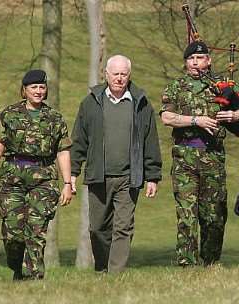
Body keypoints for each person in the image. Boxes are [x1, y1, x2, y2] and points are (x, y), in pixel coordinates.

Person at [160, 41, 239, 266]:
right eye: (191, 59)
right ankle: (187, 264)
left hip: (213, 157)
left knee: (214, 216)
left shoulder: (221, 86)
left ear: (209, 60)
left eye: (200, 58)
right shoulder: (177, 86)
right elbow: (166, 117)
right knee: (186, 214)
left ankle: (211, 262)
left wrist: (234, 115)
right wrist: (195, 120)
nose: (195, 63)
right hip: (185, 157)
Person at [70, 55, 162, 273]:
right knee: (98, 228)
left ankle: (115, 275)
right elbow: (79, 139)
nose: (119, 78)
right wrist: (72, 172)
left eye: (124, 74)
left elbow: (150, 140)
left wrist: (153, 176)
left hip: (129, 178)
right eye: (115, 74)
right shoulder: (91, 102)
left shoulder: (141, 103)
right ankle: (102, 269)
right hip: (98, 176)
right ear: (106, 74)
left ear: (129, 75)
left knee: (123, 227)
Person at [0, 69, 72, 280]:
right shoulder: (9, 114)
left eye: (42, 87)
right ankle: (18, 269)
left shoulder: (55, 118)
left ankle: (33, 281)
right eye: (34, 87)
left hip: (44, 179)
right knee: (13, 235)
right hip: (13, 179)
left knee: (36, 232)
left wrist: (67, 183)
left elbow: (63, 150)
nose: (38, 91)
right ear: (24, 90)